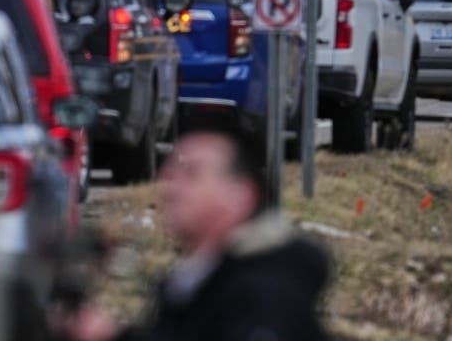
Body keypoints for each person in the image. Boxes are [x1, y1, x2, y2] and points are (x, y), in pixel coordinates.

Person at [57, 127, 331, 341]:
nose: (170, 187)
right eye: (170, 172)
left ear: (241, 194)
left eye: (192, 173)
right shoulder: (203, 279)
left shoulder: (264, 296)